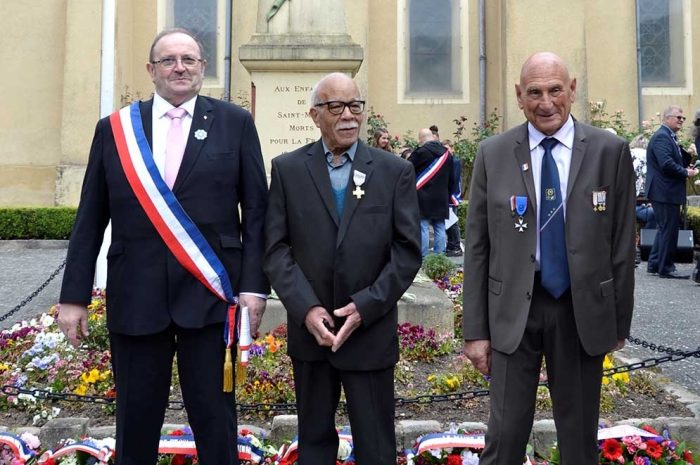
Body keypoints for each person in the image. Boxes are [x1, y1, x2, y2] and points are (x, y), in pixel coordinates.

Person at [57, 29, 269, 465]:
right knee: (135, 420)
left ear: (202, 67)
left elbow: (258, 213)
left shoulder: (235, 123)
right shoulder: (115, 130)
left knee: (215, 418)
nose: (180, 67)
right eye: (169, 60)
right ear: (151, 71)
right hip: (137, 296)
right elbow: (90, 219)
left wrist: (254, 287)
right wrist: (73, 297)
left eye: (189, 59)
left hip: (211, 296)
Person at [462, 52, 636, 465]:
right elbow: (478, 247)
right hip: (513, 313)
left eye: (555, 90)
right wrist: (475, 332)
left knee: (578, 440)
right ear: (519, 97)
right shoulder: (494, 153)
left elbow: (621, 247)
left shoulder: (609, 151)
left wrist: (618, 320)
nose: (546, 103)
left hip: (580, 311)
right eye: (535, 93)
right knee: (504, 438)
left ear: (572, 90)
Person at [263, 72, 422, 465]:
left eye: (356, 106)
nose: (349, 116)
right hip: (312, 337)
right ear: (315, 115)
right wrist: (307, 309)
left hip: (369, 334)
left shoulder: (393, 171)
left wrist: (365, 306)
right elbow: (276, 250)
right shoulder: (287, 169)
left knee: (377, 448)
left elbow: (406, 252)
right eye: (336, 107)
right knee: (314, 446)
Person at [645, 105, 699, 279]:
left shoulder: (668, 136)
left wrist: (686, 159)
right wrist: (686, 172)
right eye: (678, 117)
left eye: (683, 118)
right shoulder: (662, 137)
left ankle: (654, 263)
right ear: (667, 118)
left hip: (664, 190)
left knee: (664, 228)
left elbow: (671, 160)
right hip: (664, 191)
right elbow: (666, 164)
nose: (682, 120)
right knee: (669, 229)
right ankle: (666, 267)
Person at [410, 128, 455, 257]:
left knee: (423, 226)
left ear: (421, 139)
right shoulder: (447, 154)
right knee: (440, 226)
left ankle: (423, 257)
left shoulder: (421, 152)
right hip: (441, 197)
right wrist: (448, 194)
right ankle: (439, 258)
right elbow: (452, 178)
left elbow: (407, 168)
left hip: (422, 195)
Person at [630, 134, 656, 229]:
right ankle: (647, 239)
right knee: (654, 214)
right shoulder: (650, 156)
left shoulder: (627, 153)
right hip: (646, 201)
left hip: (627, 203)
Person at [442, 139, 463, 256]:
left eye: (447, 148)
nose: (446, 151)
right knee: (448, 223)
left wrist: (452, 196)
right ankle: (451, 244)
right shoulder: (447, 161)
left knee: (453, 223)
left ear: (452, 149)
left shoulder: (454, 161)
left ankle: (456, 246)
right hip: (448, 196)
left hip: (452, 196)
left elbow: (454, 180)